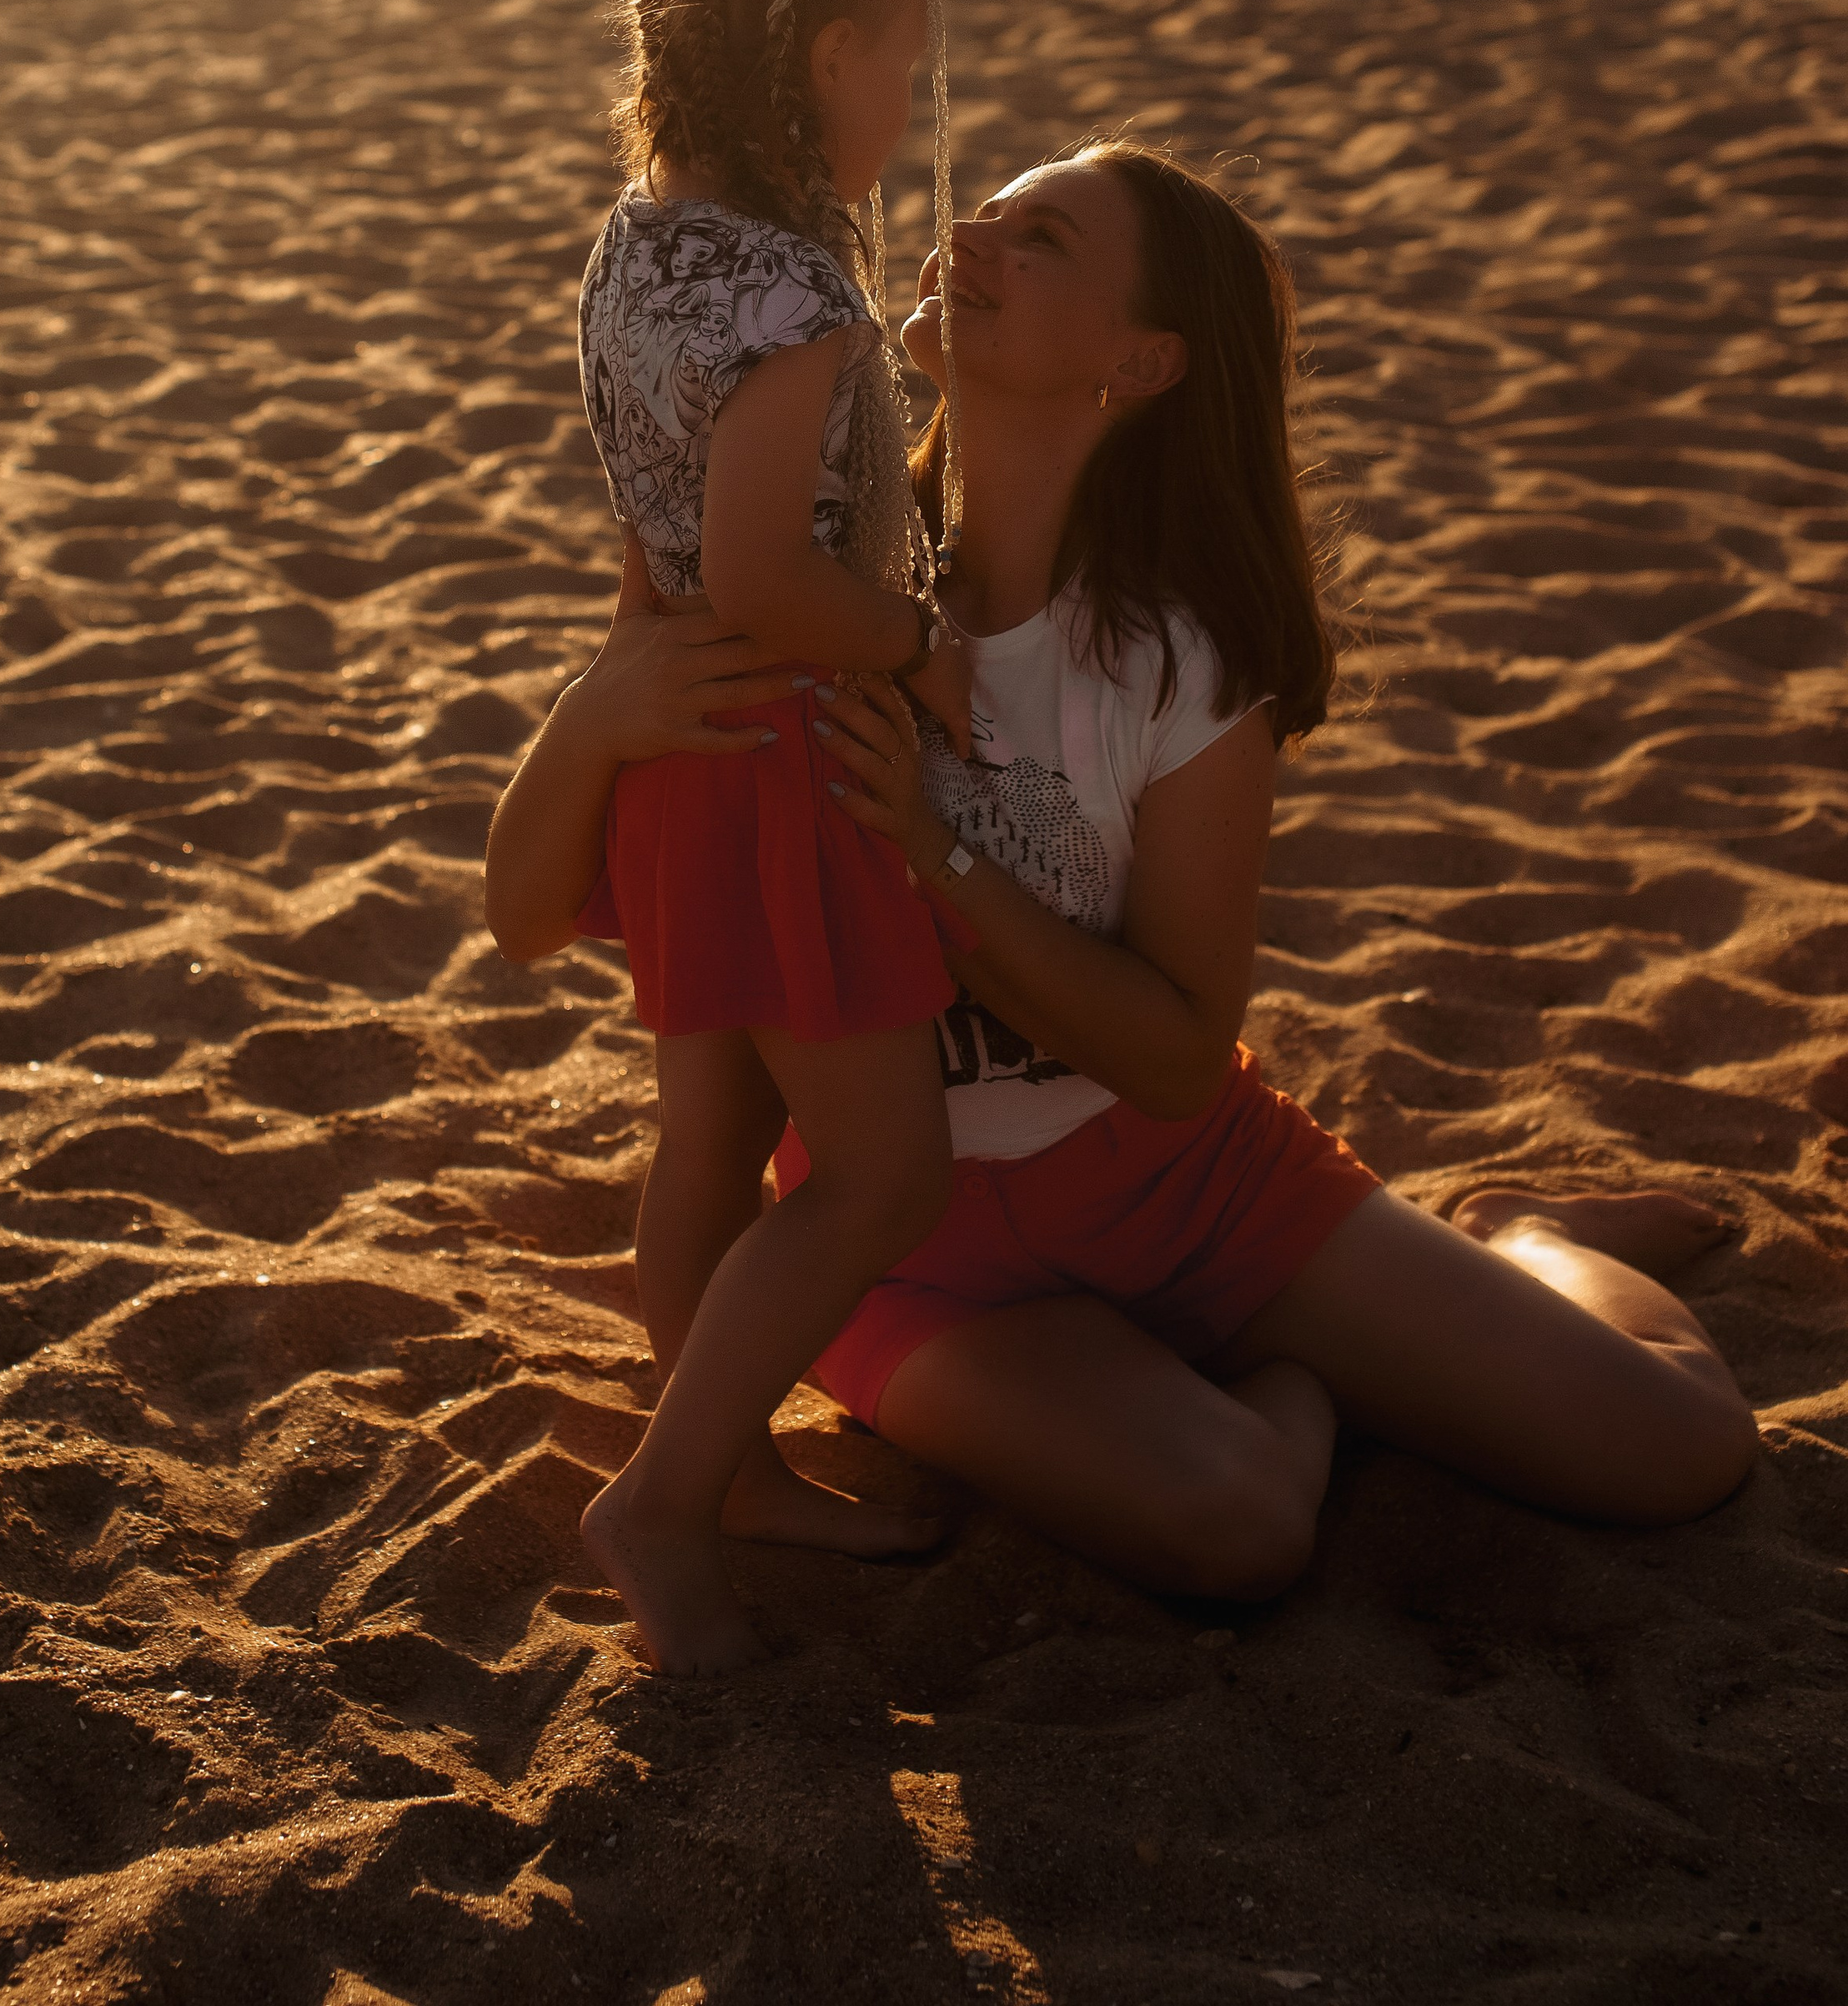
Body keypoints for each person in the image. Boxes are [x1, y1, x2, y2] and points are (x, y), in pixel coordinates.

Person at [489, 141, 1757, 1614]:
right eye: (991, 209)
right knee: (1238, 1524)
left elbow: (1171, 1054)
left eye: (1043, 239)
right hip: (902, 1242)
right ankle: (1287, 1383)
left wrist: (935, 849)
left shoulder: (1178, 656)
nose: (975, 231)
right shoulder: (797, 576)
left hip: (1191, 1182)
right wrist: (594, 712)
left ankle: (1528, 1238)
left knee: (1677, 1444)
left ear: (1140, 360)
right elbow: (524, 916)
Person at [560, 0, 982, 1676]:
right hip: (779, 755)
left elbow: (660, 535)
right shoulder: (792, 297)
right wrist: (919, 642)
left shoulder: (645, 248)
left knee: (709, 1136)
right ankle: (664, 1493)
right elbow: (757, 559)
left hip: (678, 749)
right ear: (828, 59)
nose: (912, 95)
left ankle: (712, 1464)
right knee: (885, 1171)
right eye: (907, 57)